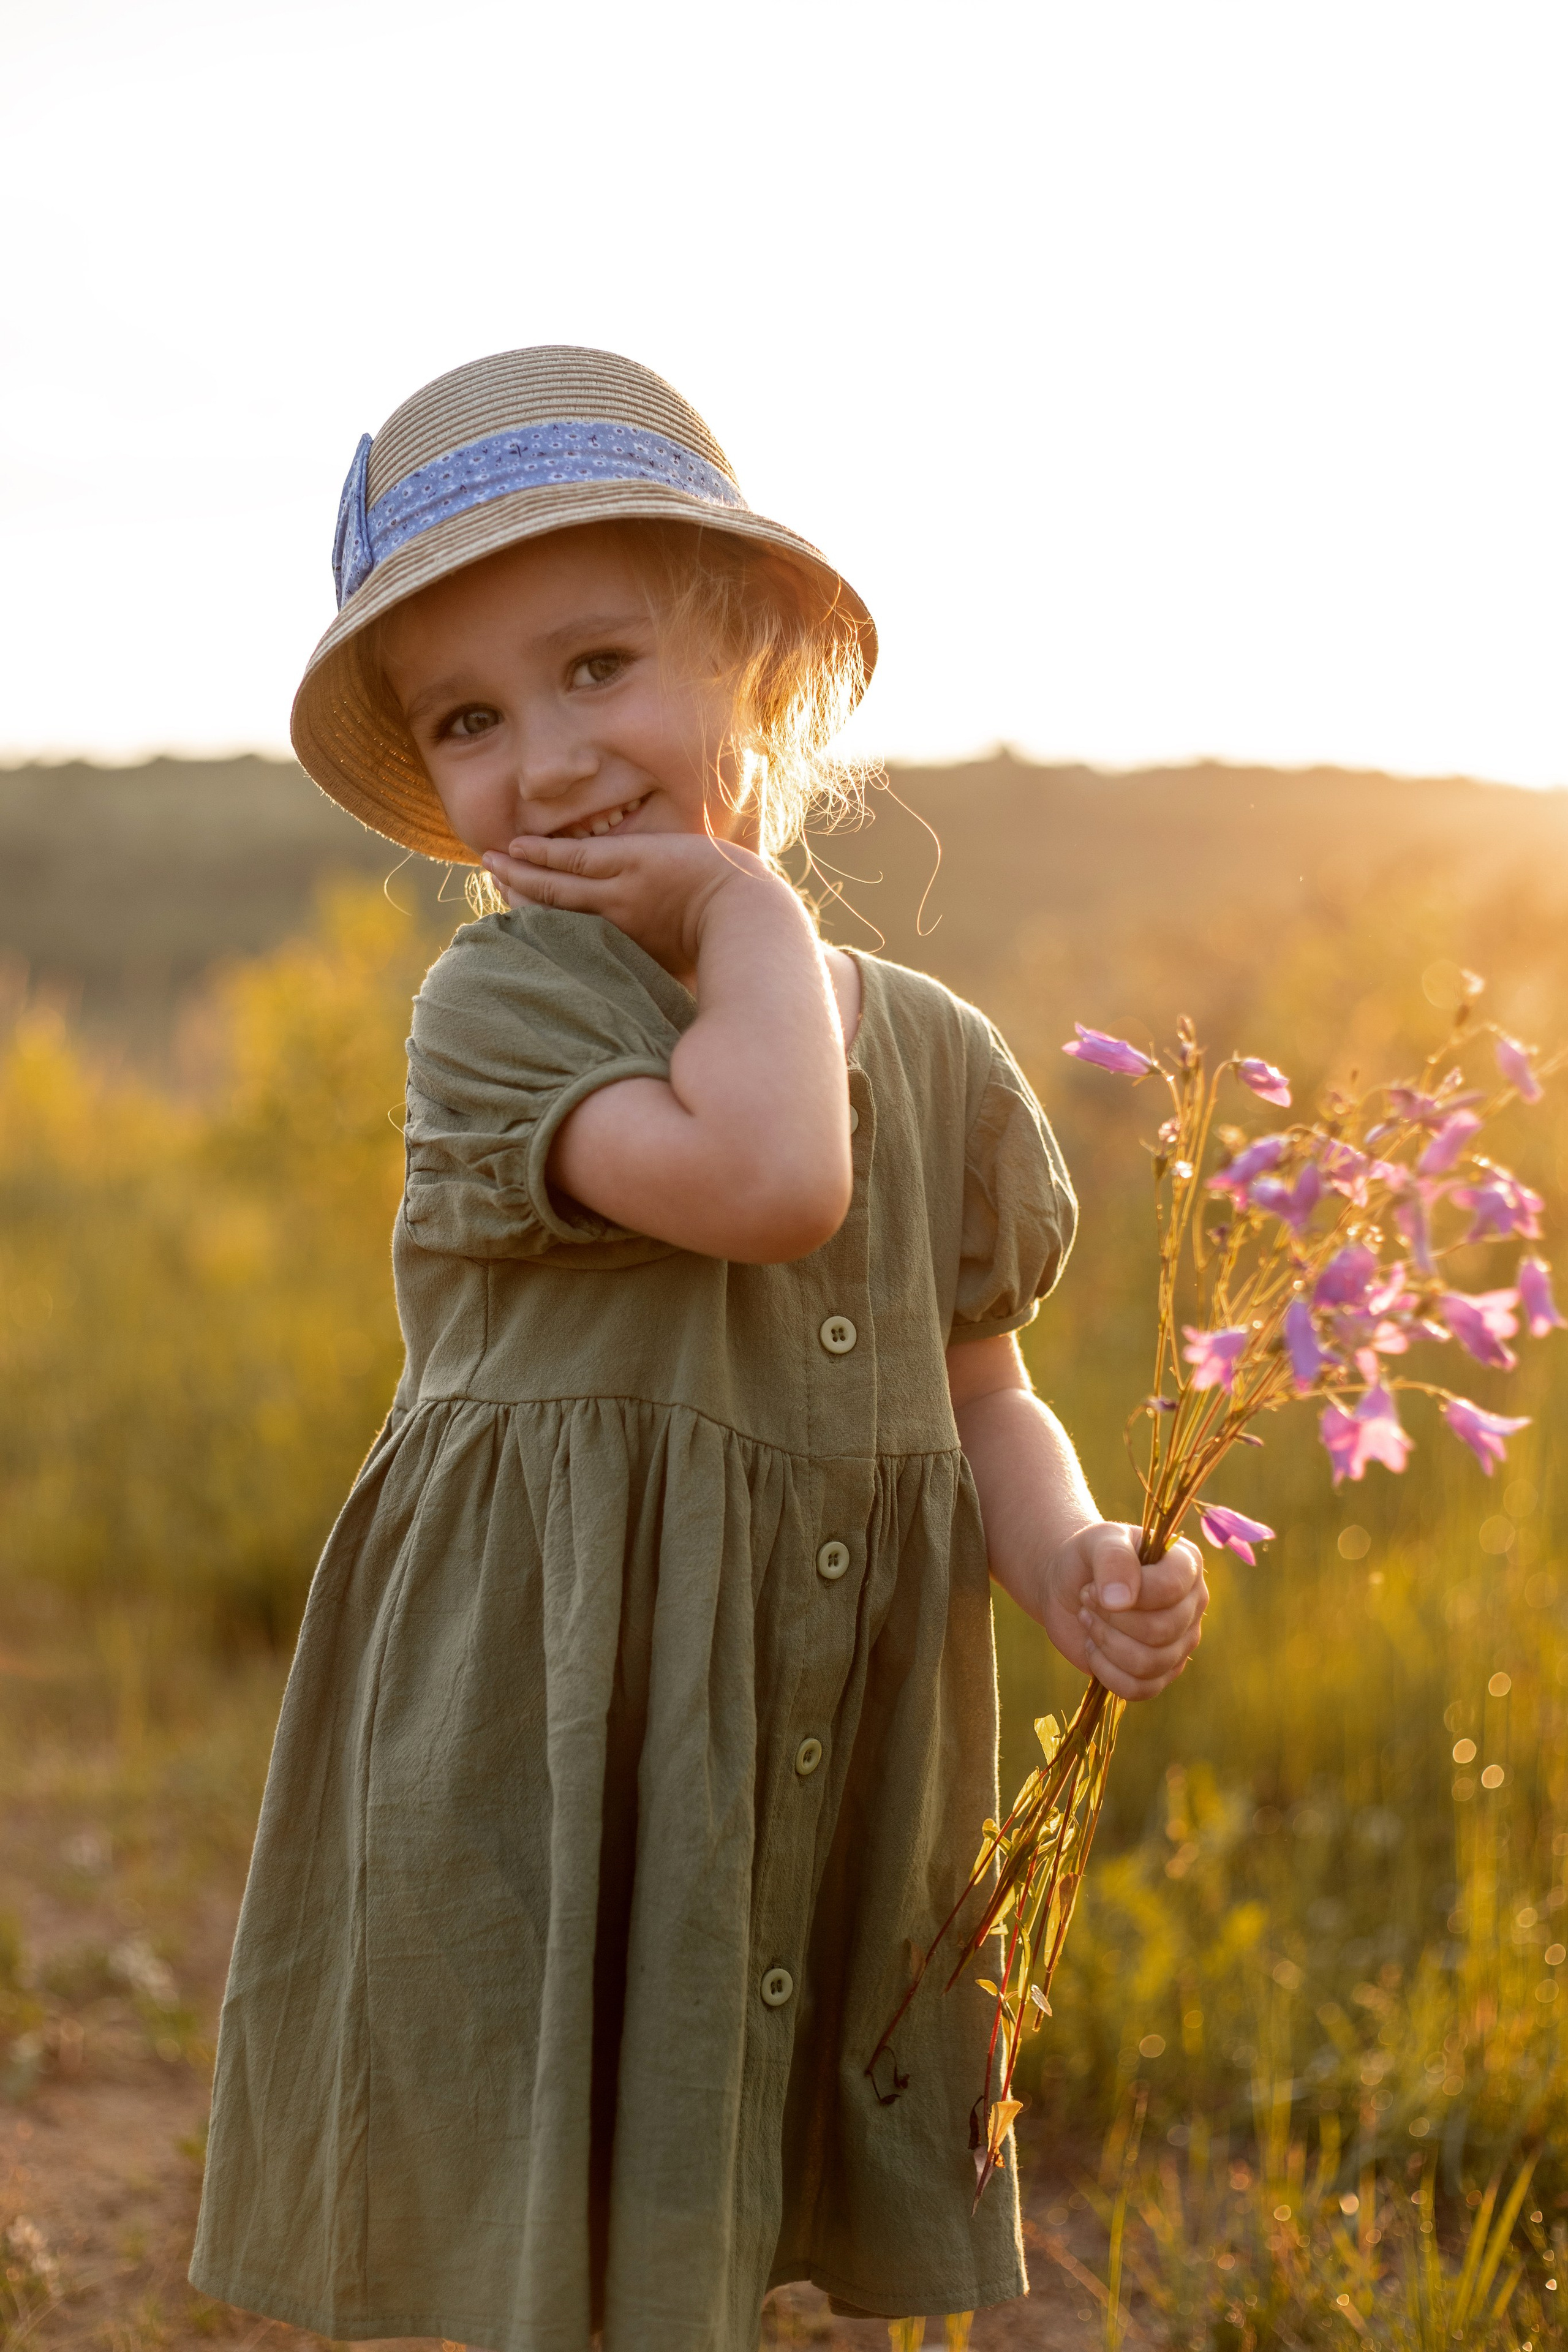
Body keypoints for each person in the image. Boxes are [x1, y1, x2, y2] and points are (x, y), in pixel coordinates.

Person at [189, 346, 1207, 2351]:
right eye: (470, 720)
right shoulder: (505, 1016)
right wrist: (745, 909)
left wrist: (1072, 1558)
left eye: (597, 668)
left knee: (724, 2183)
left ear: (749, 660)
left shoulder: (930, 1057)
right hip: (555, 1722)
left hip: (807, 1712)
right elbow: (765, 1181)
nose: (549, 760)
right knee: (548, 2210)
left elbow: (981, 1394)